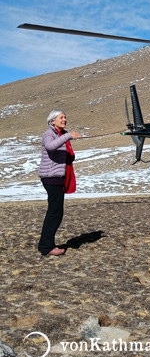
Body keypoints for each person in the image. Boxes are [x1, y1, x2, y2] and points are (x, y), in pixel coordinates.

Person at [38, 110, 82, 256]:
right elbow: (50, 146)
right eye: (61, 117)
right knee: (55, 213)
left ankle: (46, 244)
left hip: (57, 176)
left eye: (65, 117)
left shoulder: (61, 134)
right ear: (52, 121)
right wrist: (69, 136)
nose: (64, 119)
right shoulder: (49, 134)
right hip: (51, 177)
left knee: (55, 212)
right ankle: (46, 247)